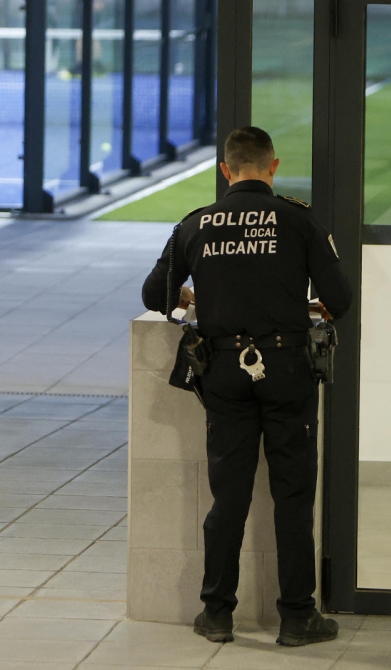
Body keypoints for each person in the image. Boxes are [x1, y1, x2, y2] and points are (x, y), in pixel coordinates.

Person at [140, 126, 352, 647]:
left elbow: (154, 293)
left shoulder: (197, 225)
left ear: (225, 170)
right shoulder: (298, 219)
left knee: (228, 496)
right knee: (293, 496)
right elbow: (340, 298)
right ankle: (298, 617)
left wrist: (195, 301)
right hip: (287, 370)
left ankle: (216, 613)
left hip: (224, 374)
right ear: (273, 167)